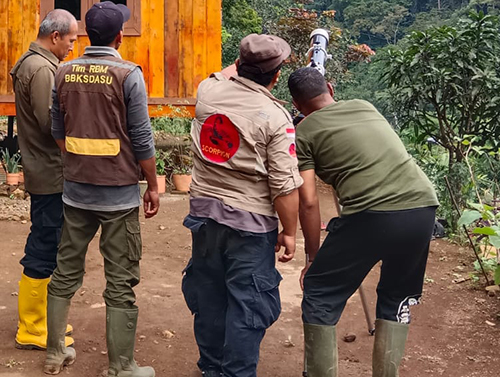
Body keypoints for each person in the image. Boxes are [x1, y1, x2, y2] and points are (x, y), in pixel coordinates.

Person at [288, 67, 439, 377]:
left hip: (370, 214)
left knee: (319, 290)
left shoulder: (302, 134)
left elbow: (309, 199)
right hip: (422, 206)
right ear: (330, 87)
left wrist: (313, 258)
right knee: (397, 296)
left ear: (296, 105)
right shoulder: (364, 106)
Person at [43, 2, 159, 376]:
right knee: (121, 279)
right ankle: (122, 366)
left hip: (76, 192)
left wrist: (80, 163)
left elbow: (58, 131)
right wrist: (154, 185)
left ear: (88, 35)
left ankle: (55, 353)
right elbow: (141, 138)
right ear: (120, 36)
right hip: (119, 197)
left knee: (64, 272)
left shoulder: (63, 71)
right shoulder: (128, 74)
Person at [182, 34, 303, 377]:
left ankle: (211, 367)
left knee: (209, 294)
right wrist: (290, 233)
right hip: (251, 226)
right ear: (276, 76)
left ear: (238, 65)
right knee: (247, 305)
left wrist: (242, 62)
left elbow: (221, 75)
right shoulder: (275, 118)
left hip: (203, 216)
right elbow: (283, 186)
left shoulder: (208, 93)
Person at [10, 9, 78, 350]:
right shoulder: (39, 69)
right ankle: (32, 326)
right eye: (71, 40)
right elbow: (50, 123)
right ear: (55, 36)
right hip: (50, 172)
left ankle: (43, 320)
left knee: (49, 243)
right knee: (44, 244)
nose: (72, 46)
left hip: (50, 170)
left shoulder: (38, 63)